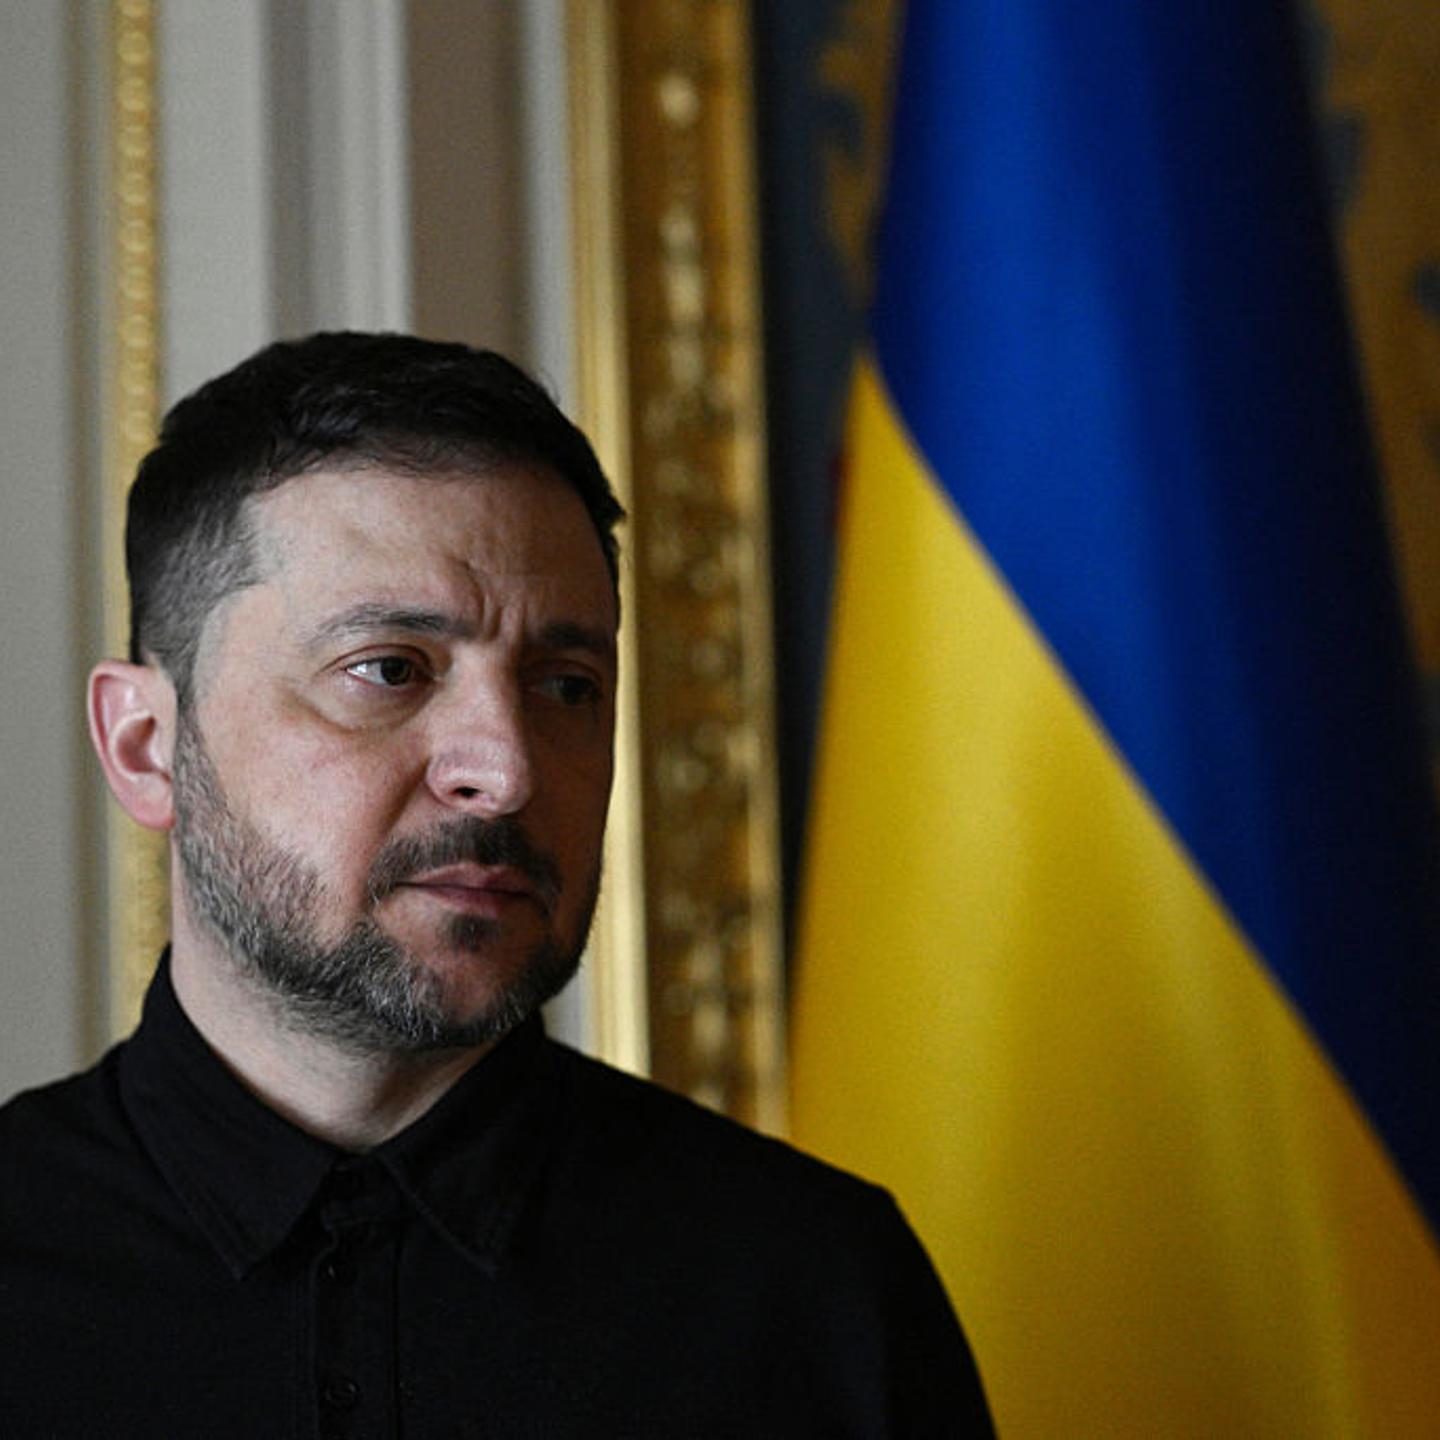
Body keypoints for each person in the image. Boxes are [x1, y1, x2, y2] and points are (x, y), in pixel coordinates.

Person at [0, 333, 993, 1437]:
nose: (507, 768)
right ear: (145, 746)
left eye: (566, 686)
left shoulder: (820, 1293)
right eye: (389, 670)